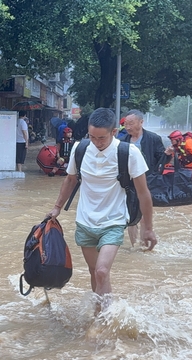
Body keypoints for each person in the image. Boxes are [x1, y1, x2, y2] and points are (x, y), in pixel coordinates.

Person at [46, 108, 157, 308]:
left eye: (102, 138)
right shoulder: (80, 148)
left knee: (102, 271)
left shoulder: (129, 152)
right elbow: (70, 179)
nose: (96, 142)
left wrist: (148, 228)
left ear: (114, 132)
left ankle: (104, 319)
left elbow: (143, 193)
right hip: (85, 221)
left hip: (113, 221)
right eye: (92, 137)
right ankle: (100, 314)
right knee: (93, 271)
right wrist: (56, 208)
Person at [121, 110, 167, 246]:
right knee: (130, 216)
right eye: (125, 124)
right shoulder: (122, 141)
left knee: (143, 214)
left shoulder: (153, 139)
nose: (128, 127)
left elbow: (161, 160)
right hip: (128, 182)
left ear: (141, 122)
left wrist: (168, 154)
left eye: (131, 123)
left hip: (146, 181)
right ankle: (134, 245)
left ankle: (143, 243)